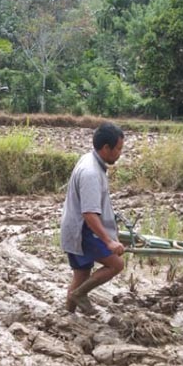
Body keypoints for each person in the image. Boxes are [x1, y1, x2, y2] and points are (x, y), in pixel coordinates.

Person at [60, 123, 126, 315]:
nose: (120, 153)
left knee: (81, 275)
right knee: (116, 264)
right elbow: (89, 214)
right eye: (119, 148)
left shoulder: (89, 159)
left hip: (75, 227)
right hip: (84, 231)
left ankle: (67, 317)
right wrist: (109, 241)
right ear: (106, 148)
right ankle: (79, 295)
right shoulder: (91, 173)